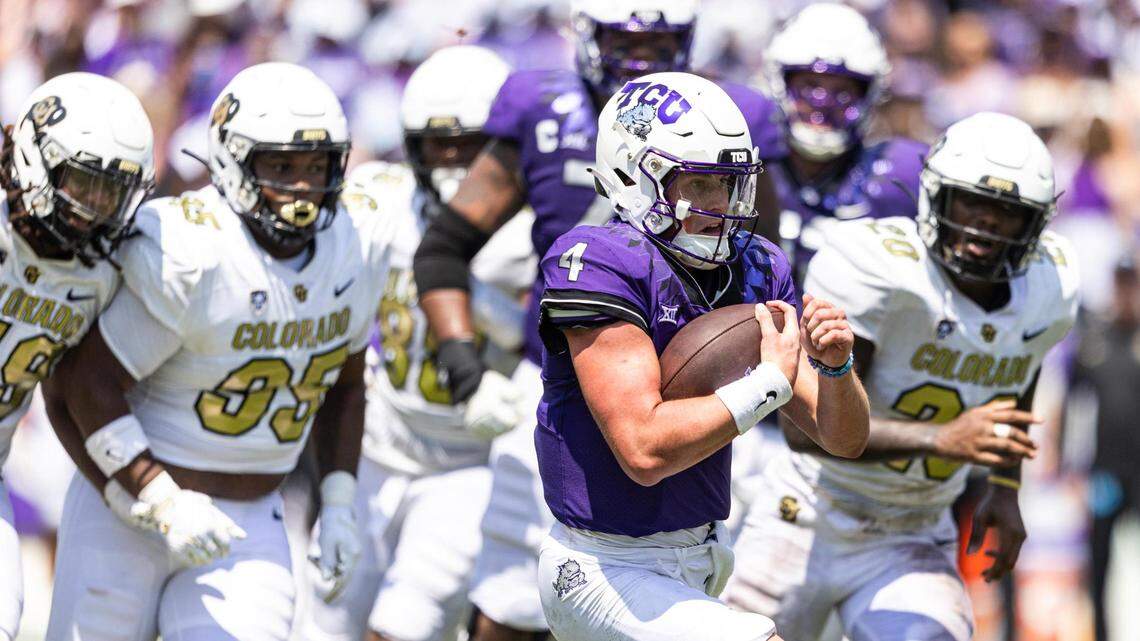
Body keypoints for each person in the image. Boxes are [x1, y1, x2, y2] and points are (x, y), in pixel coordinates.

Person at [412, 3, 786, 637]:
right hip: (573, 387)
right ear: (586, 37)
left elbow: (753, 265)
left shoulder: (725, 123)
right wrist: (465, 370)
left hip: (705, 395)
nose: (641, 58)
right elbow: (444, 246)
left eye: (661, 41)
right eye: (624, 39)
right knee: (510, 611)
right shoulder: (542, 108)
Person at [43, 62, 387, 640]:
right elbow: (83, 385)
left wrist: (340, 501)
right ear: (232, 160)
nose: (303, 185)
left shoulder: (353, 245)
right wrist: (156, 497)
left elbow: (345, 385)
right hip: (127, 511)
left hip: (250, 522)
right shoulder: (191, 248)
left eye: (316, 165)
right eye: (281, 165)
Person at [534, 71, 869, 641]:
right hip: (604, 567)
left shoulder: (758, 268)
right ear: (632, 175)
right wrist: (765, 384)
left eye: (730, 184)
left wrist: (836, 368)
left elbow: (844, 439)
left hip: (705, 556)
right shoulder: (597, 259)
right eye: (700, 185)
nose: (721, 206)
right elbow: (643, 449)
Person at [724, 112, 1080, 641]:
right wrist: (945, 439)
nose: (985, 222)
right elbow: (808, 429)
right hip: (810, 515)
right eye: (973, 202)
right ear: (937, 196)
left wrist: (1004, 487)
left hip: (914, 530)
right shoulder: (878, 267)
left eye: (1006, 212)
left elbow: (1016, 373)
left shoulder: (1048, 288)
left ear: (1031, 223)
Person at [300, 44, 536, 641]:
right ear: (413, 145)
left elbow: (547, 334)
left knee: (406, 626)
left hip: (469, 460)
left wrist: (471, 297)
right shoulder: (381, 199)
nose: (456, 158)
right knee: (324, 621)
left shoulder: (535, 228)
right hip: (375, 448)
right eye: (440, 143)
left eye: (472, 142)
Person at [0, 71, 154, 641]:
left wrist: (126, 489)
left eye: (110, 192)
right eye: (84, 183)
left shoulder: (103, 272)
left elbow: (71, 392)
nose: (94, 208)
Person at [762, 3, 927, 284]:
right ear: (781, 83)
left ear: (869, 95)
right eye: (809, 86)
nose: (822, 105)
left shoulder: (897, 175)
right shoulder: (751, 162)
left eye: (842, 93)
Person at [1070, 254, 1140, 641]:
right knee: (1100, 563)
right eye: (1122, 282)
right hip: (1105, 472)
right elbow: (1074, 405)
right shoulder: (1095, 342)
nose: (1127, 291)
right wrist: (1072, 468)